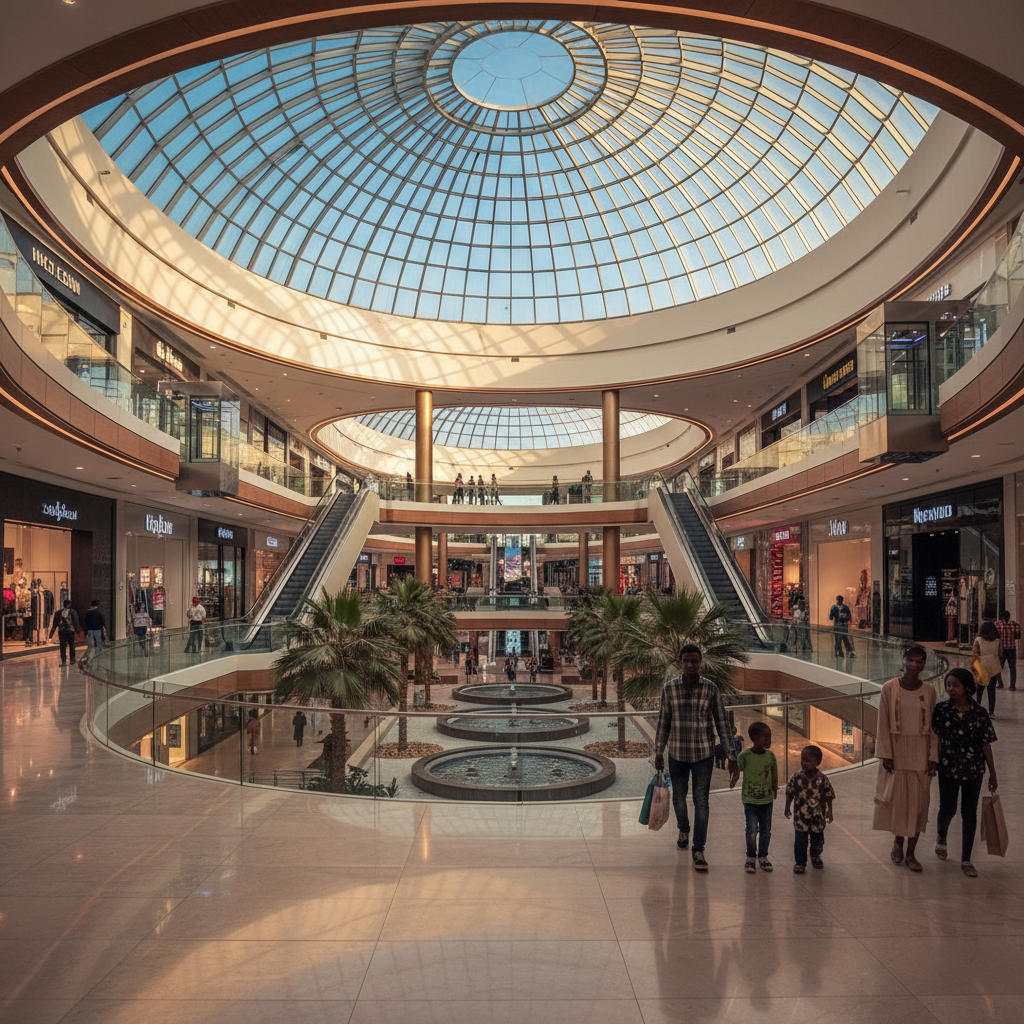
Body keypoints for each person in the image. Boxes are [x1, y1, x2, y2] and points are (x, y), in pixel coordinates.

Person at [654, 644, 739, 870]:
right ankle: (684, 828)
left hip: (703, 754)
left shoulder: (710, 689)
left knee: (701, 800)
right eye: (687, 661)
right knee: (678, 798)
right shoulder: (669, 688)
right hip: (677, 753)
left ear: (700, 662)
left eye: (695, 661)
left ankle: (699, 849)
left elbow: (722, 722)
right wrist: (658, 751)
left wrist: (732, 754)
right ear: (680, 663)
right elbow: (663, 721)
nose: (691, 665)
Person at [872, 645, 938, 872]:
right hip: (897, 752)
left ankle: (912, 852)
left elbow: (933, 728)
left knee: (919, 805)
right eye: (911, 660)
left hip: (921, 752)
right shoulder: (889, 688)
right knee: (900, 802)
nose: (915, 665)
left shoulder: (929, 691)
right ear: (904, 661)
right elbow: (883, 723)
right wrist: (886, 754)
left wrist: (933, 756)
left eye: (920, 661)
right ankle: (898, 842)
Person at [931, 667, 998, 877]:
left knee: (969, 814)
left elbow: (986, 744)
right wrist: (932, 761)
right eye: (948, 685)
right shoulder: (942, 710)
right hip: (948, 768)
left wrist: (993, 773)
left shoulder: (979, 713)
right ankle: (941, 836)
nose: (951, 689)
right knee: (948, 809)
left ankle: (966, 858)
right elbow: (935, 739)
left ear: (967, 688)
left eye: (955, 685)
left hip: (974, 770)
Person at [732, 721, 778, 873]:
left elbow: (774, 775)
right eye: (765, 737)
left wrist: (774, 789)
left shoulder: (770, 756)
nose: (768, 740)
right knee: (751, 830)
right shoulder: (745, 756)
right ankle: (750, 857)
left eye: (769, 737)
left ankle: (763, 856)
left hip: (766, 801)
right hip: (750, 801)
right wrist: (733, 777)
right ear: (754, 738)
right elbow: (737, 768)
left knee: (766, 830)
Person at [785, 744, 835, 873]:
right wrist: (787, 807)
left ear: (817, 762)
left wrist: (830, 811)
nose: (804, 763)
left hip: (818, 816)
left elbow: (828, 795)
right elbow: (790, 792)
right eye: (803, 759)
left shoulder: (822, 779)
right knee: (800, 839)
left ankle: (815, 855)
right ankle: (800, 862)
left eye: (808, 761)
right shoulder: (797, 777)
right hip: (800, 816)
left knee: (817, 838)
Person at [971, 620, 1002, 715]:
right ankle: (991, 712)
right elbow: (1000, 654)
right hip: (994, 666)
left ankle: (977, 708)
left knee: (980, 689)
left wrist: (973, 667)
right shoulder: (998, 641)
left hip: (982, 667)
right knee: (991, 690)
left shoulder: (978, 640)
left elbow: (975, 654)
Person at [48, 599, 80, 667]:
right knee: (71, 646)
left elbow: (55, 624)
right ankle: (72, 660)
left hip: (62, 632)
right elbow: (76, 622)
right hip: (70, 631)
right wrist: (77, 631)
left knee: (62, 647)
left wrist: (51, 634)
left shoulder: (58, 613)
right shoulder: (73, 612)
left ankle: (64, 661)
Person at [995, 609, 1019, 691]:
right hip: (1012, 648)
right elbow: (1018, 635)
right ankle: (1012, 685)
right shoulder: (1014, 624)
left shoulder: (997, 624)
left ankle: (1000, 684)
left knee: (998, 667)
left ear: (1002, 617)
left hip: (1002, 649)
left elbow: (995, 636)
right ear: (1009, 616)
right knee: (1012, 668)